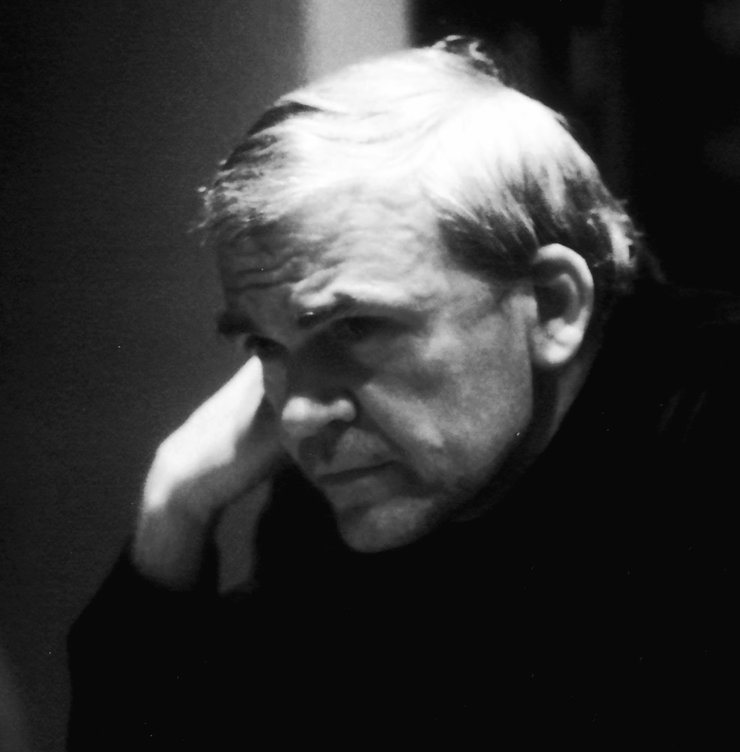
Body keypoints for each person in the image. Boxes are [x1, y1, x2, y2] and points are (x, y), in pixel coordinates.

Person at [67, 38, 737, 747]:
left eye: (354, 327)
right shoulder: (354, 488)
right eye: (265, 345)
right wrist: (175, 501)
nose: (299, 415)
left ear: (551, 305)